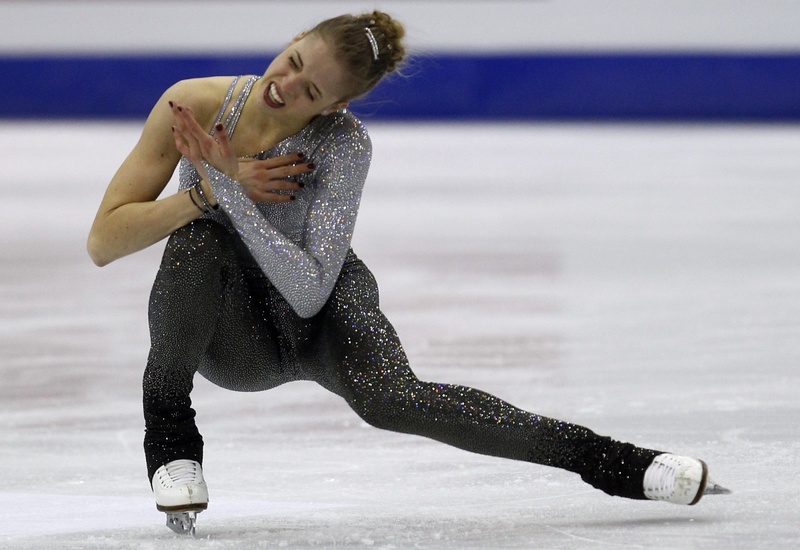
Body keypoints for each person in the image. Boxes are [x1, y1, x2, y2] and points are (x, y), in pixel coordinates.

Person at [87, 11, 727, 535]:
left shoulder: (343, 145)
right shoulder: (194, 106)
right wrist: (209, 194)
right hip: (230, 334)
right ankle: (170, 441)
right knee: (196, 243)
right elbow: (103, 241)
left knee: (397, 400)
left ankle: (617, 462)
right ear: (290, 42)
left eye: (312, 90)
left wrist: (230, 191)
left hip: (322, 315)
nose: (287, 85)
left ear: (336, 106)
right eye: (294, 63)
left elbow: (310, 294)